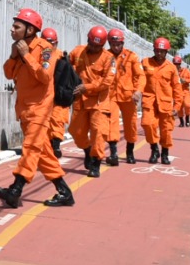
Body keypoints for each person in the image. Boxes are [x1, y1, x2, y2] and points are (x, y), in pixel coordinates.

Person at [0, 8, 74, 208]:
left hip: (40, 109)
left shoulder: (46, 49)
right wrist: (14, 56)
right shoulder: (19, 48)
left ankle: (16, 189)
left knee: (29, 149)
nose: (12, 30)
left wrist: (26, 55)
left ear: (30, 29)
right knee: (44, 154)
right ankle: (65, 193)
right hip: (24, 109)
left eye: (16, 26)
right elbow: (9, 75)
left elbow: (45, 76)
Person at [68, 26, 117, 178]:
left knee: (98, 134)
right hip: (80, 101)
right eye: (92, 44)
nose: (94, 48)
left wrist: (86, 87)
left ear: (103, 45)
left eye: (98, 46)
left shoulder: (110, 59)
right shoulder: (78, 52)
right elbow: (67, 67)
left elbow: (106, 82)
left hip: (99, 102)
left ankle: (95, 163)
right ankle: (87, 150)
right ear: (87, 39)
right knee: (76, 132)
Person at [106, 28, 146, 166]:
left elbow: (140, 76)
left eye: (118, 44)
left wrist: (138, 91)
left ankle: (130, 152)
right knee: (111, 123)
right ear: (109, 44)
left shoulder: (132, 56)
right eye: (113, 44)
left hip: (129, 96)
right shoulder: (104, 56)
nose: (116, 47)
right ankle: (113, 153)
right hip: (110, 96)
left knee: (131, 124)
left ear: (123, 43)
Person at [141, 38, 182, 164]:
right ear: (154, 49)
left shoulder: (171, 68)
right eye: (157, 50)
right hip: (149, 101)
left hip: (165, 103)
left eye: (162, 51)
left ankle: (165, 153)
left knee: (166, 130)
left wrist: (177, 106)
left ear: (166, 52)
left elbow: (177, 87)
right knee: (147, 124)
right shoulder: (145, 63)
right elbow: (138, 79)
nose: (159, 53)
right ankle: (154, 149)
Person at [41, 27, 70, 159]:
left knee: (58, 119)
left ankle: (56, 145)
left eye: (51, 43)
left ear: (56, 43)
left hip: (59, 94)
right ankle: (49, 145)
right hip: (42, 95)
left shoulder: (62, 57)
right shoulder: (36, 56)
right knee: (44, 123)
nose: (49, 46)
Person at [175, 57, 190, 127]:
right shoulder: (172, 71)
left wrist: (185, 80)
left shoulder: (186, 71)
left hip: (186, 92)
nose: (176, 65)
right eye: (175, 64)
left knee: (187, 105)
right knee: (179, 108)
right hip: (177, 93)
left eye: (177, 64)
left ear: (180, 64)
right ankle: (181, 122)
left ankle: (187, 118)